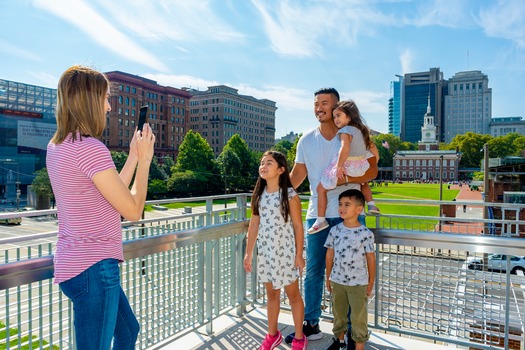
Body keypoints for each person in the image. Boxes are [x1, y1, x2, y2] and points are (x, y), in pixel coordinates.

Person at [47, 65, 155, 349]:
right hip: (94, 268)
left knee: (128, 330)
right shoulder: (90, 148)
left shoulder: (58, 146)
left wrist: (132, 155)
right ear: (89, 100)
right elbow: (132, 211)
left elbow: (111, 194)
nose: (109, 107)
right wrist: (145, 162)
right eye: (106, 98)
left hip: (76, 264)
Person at [286, 88, 377, 345]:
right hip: (318, 215)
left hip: (350, 216)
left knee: (352, 273)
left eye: (324, 103)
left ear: (339, 108)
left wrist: (347, 178)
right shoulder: (306, 140)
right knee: (313, 270)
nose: (319, 108)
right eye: (315, 104)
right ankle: (311, 323)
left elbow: (372, 171)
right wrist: (272, 193)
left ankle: (349, 331)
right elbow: (296, 176)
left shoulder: (355, 133)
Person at [244, 151, 308, 350]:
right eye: (262, 162)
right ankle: (273, 335)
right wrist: (248, 253)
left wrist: (299, 255)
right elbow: (254, 225)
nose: (263, 165)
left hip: (286, 254)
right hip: (266, 254)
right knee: (271, 296)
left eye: (268, 163)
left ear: (281, 170)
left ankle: (299, 337)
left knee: (293, 295)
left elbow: (298, 226)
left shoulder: (290, 196)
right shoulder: (259, 195)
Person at [308, 100, 379, 234]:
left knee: (321, 188)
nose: (335, 119)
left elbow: (344, 149)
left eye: (338, 115)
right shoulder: (361, 131)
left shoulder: (345, 131)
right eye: (334, 116)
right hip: (361, 167)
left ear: (349, 116)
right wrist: (375, 160)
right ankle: (371, 205)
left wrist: (339, 166)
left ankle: (320, 219)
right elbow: (373, 148)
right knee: (363, 182)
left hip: (348, 166)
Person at [325, 189, 375, 350]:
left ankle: (359, 346)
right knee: (339, 315)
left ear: (359, 209)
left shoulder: (365, 234)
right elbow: (329, 254)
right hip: (338, 281)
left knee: (358, 318)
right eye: (340, 204)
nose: (342, 207)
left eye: (347, 204)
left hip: (358, 283)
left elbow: (370, 258)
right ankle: (340, 342)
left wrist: (371, 282)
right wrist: (328, 277)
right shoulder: (335, 231)